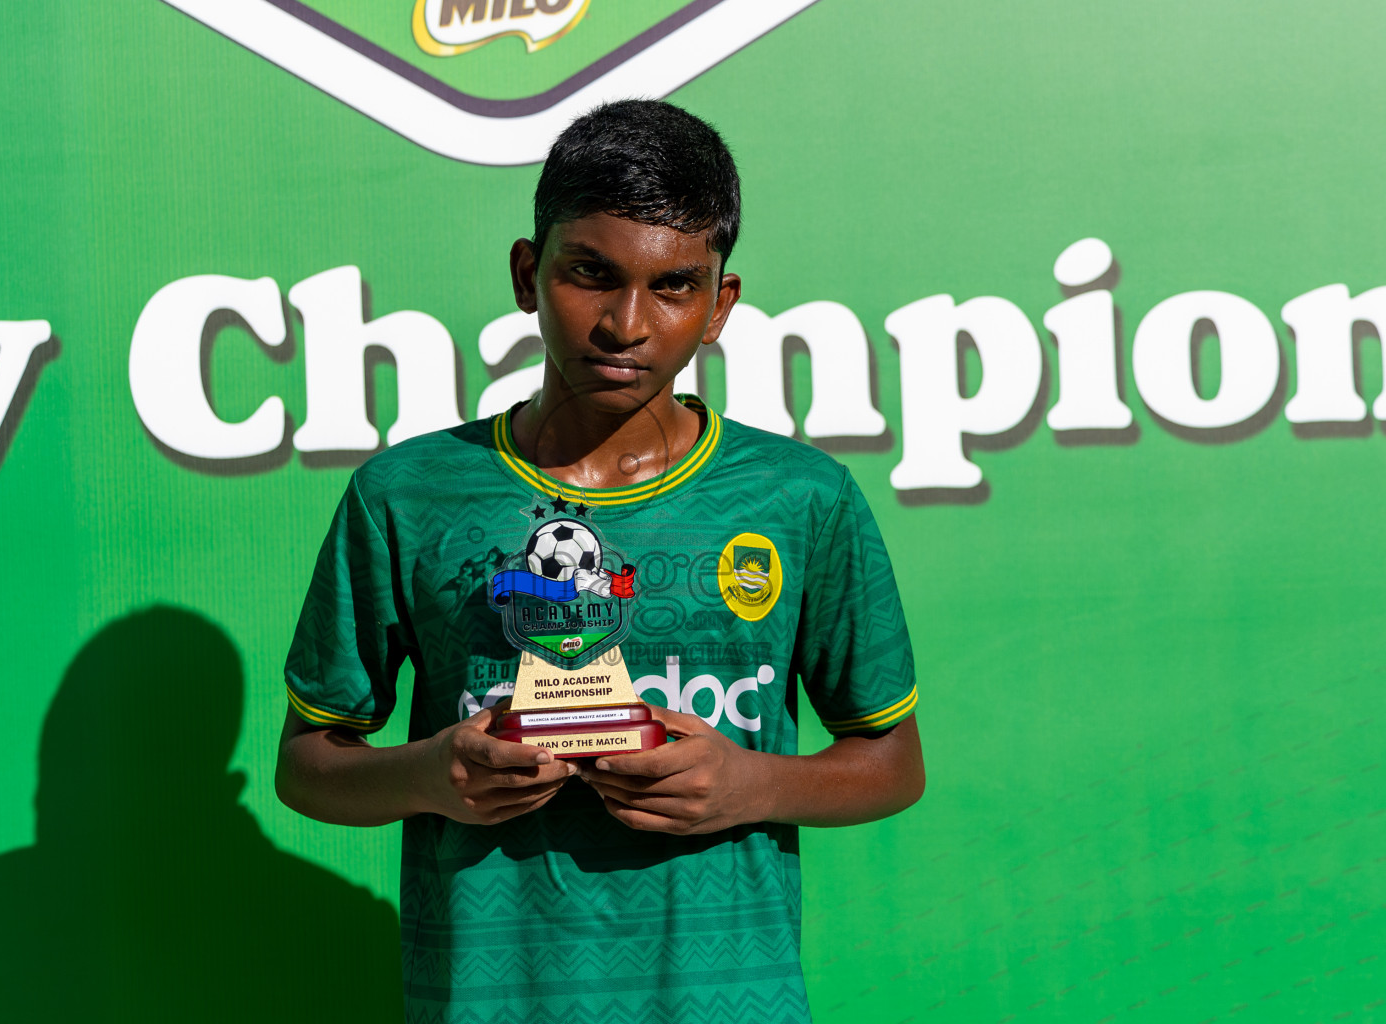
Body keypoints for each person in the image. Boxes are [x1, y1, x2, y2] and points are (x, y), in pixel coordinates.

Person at [277, 99, 924, 1024]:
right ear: (526, 272)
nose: (627, 323)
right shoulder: (407, 493)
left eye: (673, 287)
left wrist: (747, 783)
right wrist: (433, 774)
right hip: (488, 1000)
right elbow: (308, 765)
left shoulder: (800, 498)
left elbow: (893, 762)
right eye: (591, 274)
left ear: (718, 307)